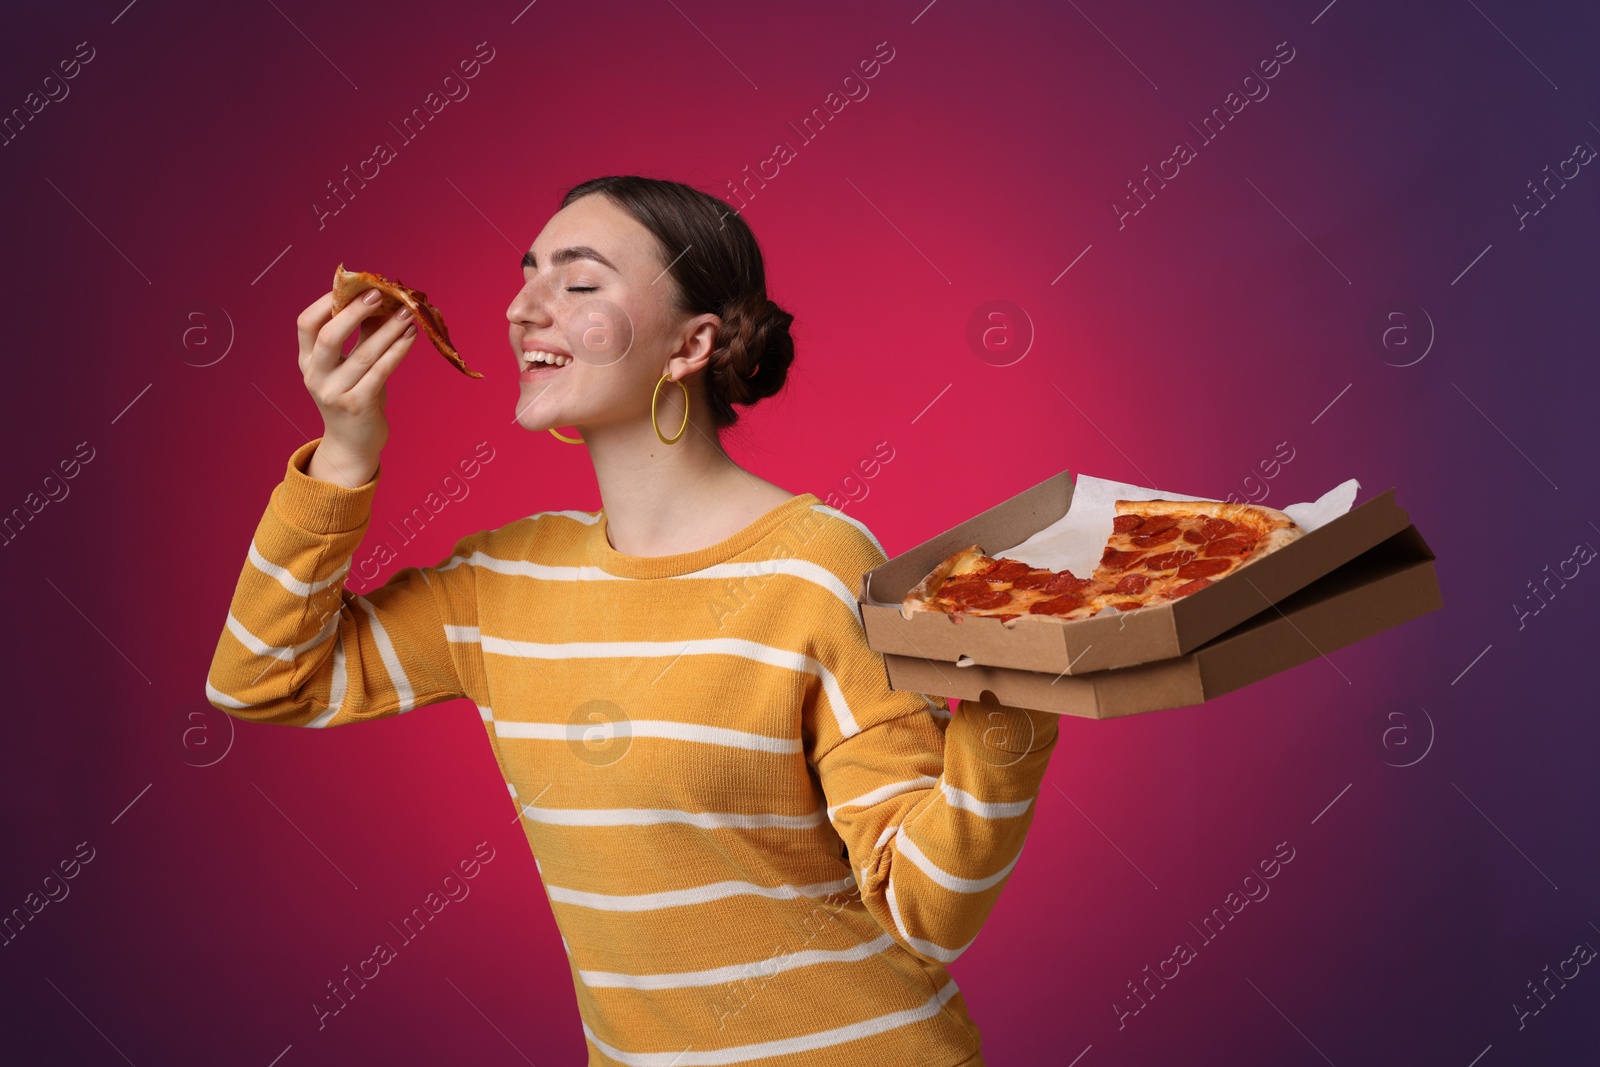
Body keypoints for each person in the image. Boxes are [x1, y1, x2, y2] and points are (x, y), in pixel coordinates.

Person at [206, 175, 1062, 1066]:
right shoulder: (501, 581)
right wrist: (346, 449)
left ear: (691, 342)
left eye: (578, 284)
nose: (523, 307)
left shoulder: (816, 565)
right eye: (527, 274)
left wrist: (1024, 687)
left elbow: (930, 907)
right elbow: (264, 677)